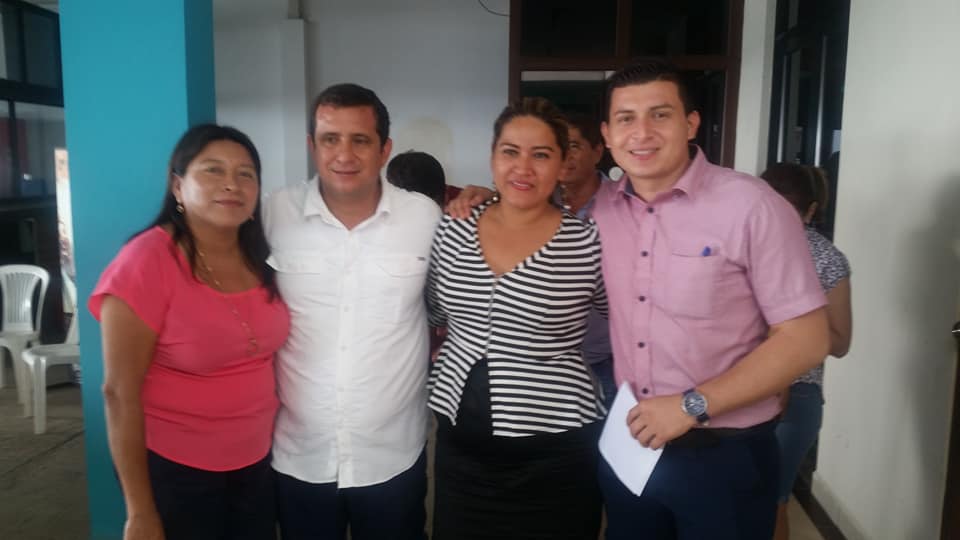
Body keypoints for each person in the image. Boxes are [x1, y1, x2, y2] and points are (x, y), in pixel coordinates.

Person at [450, 60, 830, 539]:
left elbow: (806, 338)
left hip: (725, 450)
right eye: (626, 118)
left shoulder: (753, 206)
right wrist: (484, 198)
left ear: (691, 123)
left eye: (660, 115)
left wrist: (691, 405)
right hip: (631, 439)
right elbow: (529, 210)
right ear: (607, 135)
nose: (642, 133)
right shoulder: (599, 212)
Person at [90, 124, 290, 540]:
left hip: (257, 463)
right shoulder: (146, 260)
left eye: (246, 174)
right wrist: (139, 512)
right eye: (213, 170)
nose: (231, 184)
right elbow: (119, 393)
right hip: (176, 470)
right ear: (178, 187)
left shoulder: (259, 254)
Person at [263, 83, 440, 540]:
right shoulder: (273, 215)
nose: (344, 154)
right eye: (330, 139)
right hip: (300, 454)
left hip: (392, 454)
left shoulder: (425, 218)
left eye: (360, 140)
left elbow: (447, 305)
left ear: (385, 150)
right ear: (312, 145)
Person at [428, 97, 607, 540]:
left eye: (541, 154)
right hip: (460, 449)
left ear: (562, 164)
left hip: (555, 452)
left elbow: (629, 319)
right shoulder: (452, 228)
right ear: (492, 158)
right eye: (510, 151)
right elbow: (433, 310)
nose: (523, 167)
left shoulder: (587, 242)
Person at [761, 163, 852, 540]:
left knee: (768, 500)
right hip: (737, 390)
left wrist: (794, 326)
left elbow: (840, 342)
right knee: (767, 500)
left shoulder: (825, 258)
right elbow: (840, 342)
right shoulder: (741, 246)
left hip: (793, 395)